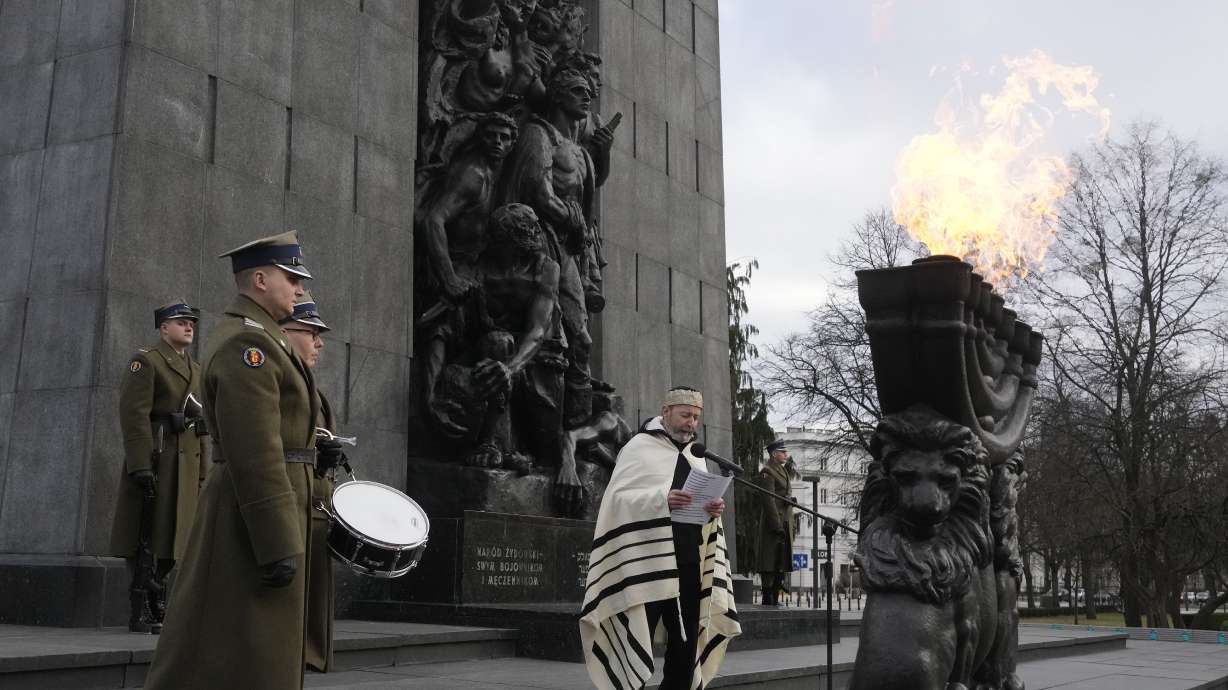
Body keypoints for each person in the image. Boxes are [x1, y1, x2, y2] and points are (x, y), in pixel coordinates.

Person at [143, 231, 326, 690]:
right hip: (250, 520)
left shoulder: (266, 341)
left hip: (263, 514)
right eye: (292, 278)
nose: (301, 289)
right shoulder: (249, 347)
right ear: (260, 280)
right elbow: (255, 453)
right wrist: (277, 541)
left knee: (250, 653)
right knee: (231, 655)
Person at [580, 387, 741, 690]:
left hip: (689, 561)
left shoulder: (696, 456)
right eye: (685, 415)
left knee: (686, 642)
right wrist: (661, 499)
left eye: (695, 417)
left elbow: (697, 507)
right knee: (637, 634)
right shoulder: (638, 448)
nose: (691, 423)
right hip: (646, 563)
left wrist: (711, 510)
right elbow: (617, 501)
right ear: (665, 412)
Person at [109, 301, 208, 633]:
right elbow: (134, 415)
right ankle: (143, 603)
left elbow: (201, 424)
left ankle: (158, 593)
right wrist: (139, 464)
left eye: (191, 322)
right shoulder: (147, 362)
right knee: (148, 534)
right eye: (181, 322)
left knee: (175, 535)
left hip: (186, 462)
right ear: (163, 328)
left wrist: (203, 470)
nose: (189, 326)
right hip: (159, 457)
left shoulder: (196, 368)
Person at [280, 293, 349, 673]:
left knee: (316, 591)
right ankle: (295, 655)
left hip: (317, 498)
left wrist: (328, 458)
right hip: (290, 496)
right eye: (311, 332)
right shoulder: (277, 380)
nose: (320, 342)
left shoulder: (315, 391)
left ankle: (310, 654)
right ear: (285, 332)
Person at [757, 438, 795, 606]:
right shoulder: (768, 471)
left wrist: (789, 499)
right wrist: (776, 525)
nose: (786, 455)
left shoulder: (782, 470)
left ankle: (775, 595)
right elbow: (768, 500)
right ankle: (768, 596)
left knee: (781, 560)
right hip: (773, 523)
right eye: (783, 452)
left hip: (785, 521)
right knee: (770, 560)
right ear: (774, 454)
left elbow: (780, 495)